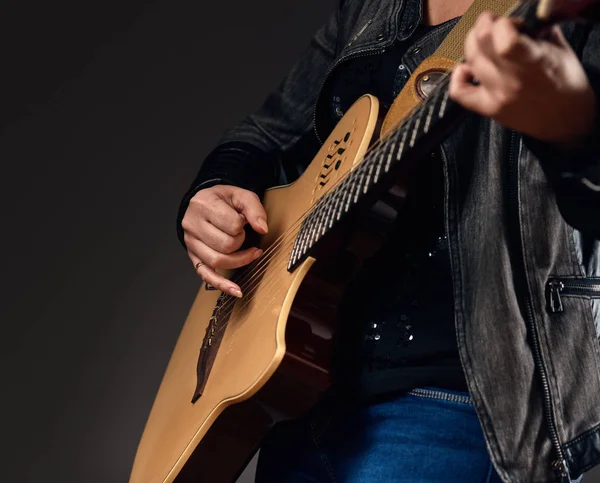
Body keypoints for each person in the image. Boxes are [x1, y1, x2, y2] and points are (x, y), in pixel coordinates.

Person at [176, 0, 600, 481]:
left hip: (463, 406)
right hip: (302, 390)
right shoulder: (369, 6)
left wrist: (575, 130)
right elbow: (264, 135)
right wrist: (212, 190)